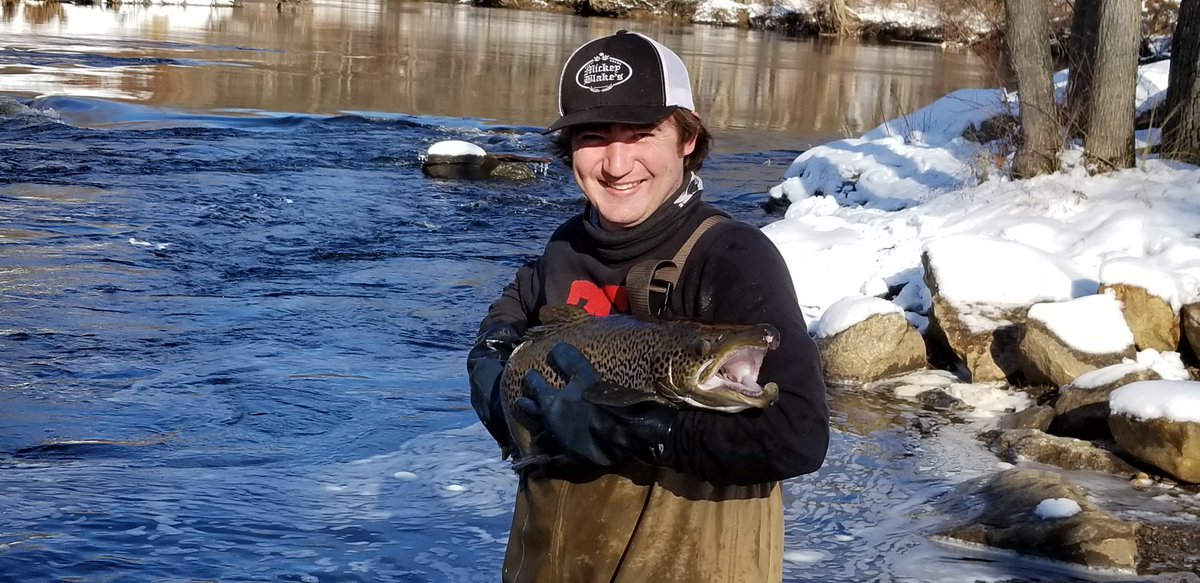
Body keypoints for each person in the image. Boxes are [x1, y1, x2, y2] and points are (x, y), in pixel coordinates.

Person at [466, 30, 830, 582]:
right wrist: (492, 375)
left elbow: (797, 437)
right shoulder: (565, 247)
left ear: (686, 138)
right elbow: (504, 324)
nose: (616, 163)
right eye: (593, 137)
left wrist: (640, 428)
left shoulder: (732, 257)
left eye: (641, 134)